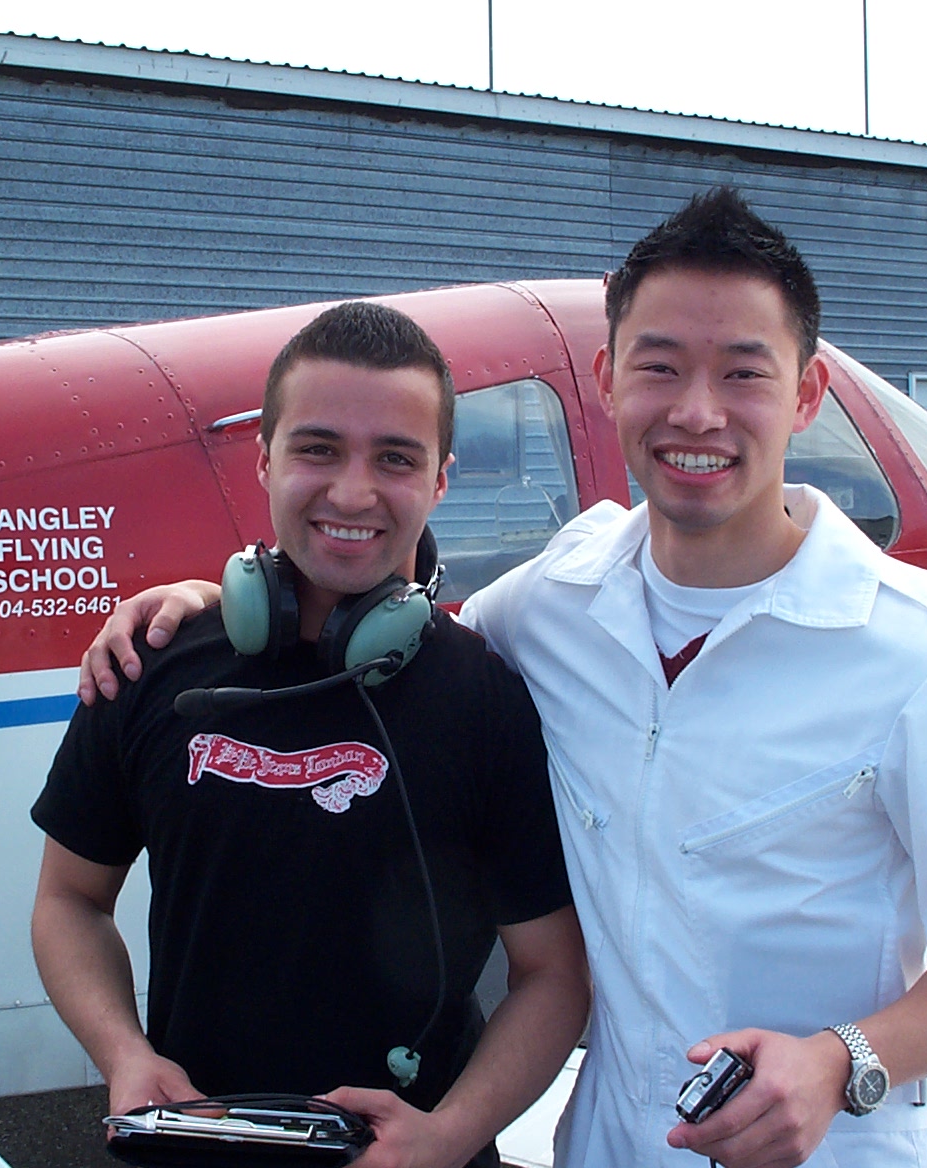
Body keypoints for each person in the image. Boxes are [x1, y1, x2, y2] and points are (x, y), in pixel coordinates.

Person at [77, 188, 927, 1168]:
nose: (696, 412)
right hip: (607, 1145)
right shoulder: (547, 606)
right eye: (660, 367)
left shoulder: (919, 648)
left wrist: (841, 1059)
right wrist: (207, 604)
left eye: (743, 373)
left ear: (805, 395)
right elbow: (379, 630)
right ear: (607, 379)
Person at [31, 301, 590, 1168]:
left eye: (395, 458)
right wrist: (124, 1054)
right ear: (264, 459)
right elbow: (69, 900)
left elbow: (553, 975)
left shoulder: (488, 699)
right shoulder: (149, 663)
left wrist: (448, 1134)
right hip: (198, 1145)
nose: (353, 493)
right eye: (318, 449)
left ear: (441, 480)